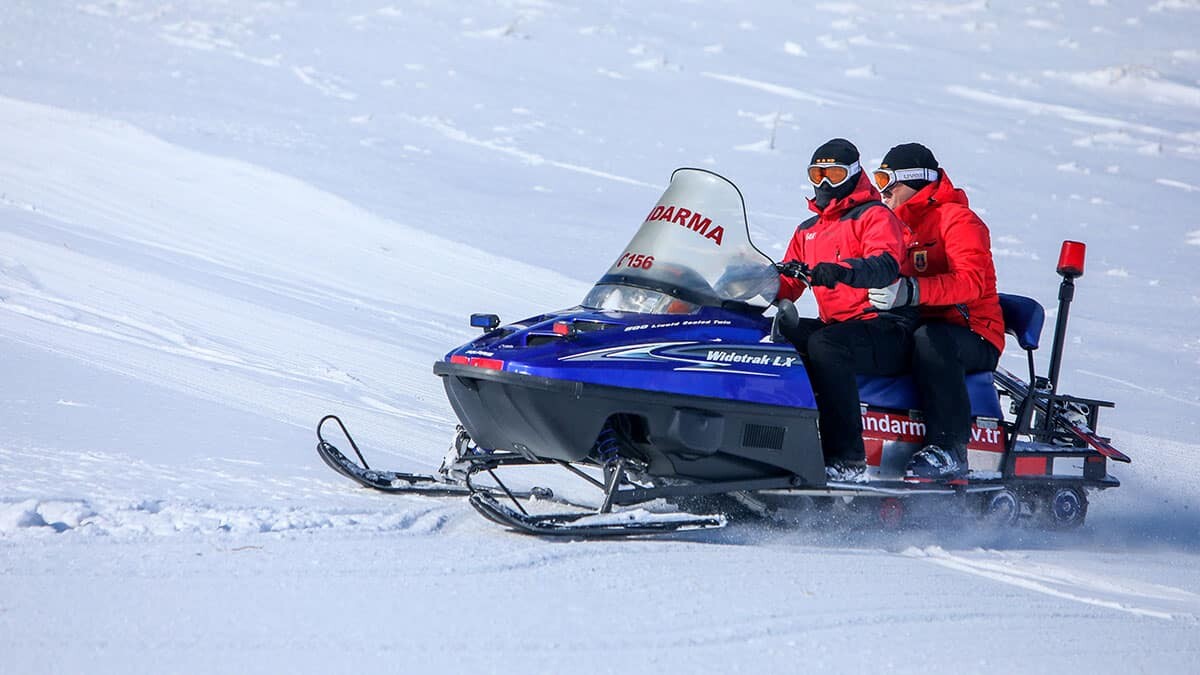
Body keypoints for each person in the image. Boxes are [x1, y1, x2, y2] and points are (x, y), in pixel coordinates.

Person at [776, 138, 918, 482]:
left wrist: (844, 271)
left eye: (834, 174)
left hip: (885, 328)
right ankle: (778, 440)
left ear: (854, 175)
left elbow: (885, 264)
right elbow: (788, 285)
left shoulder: (874, 216)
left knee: (826, 345)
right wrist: (739, 286)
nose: (824, 183)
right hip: (839, 326)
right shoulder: (807, 231)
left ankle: (846, 457)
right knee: (775, 333)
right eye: (817, 173)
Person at [867, 143, 1005, 479]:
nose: (881, 191)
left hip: (972, 332)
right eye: (877, 180)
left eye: (887, 181)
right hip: (918, 328)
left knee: (931, 338)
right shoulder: (894, 226)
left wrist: (911, 291)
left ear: (913, 182)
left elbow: (970, 281)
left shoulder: (957, 220)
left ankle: (949, 448)